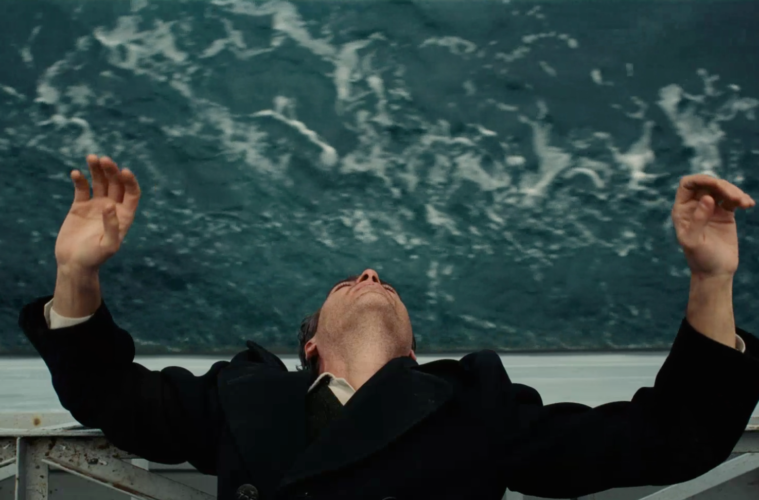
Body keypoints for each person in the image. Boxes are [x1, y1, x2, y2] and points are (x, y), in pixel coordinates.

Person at [18, 155, 759, 500]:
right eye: (351, 282)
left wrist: (710, 279)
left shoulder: (477, 406)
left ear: (412, 352)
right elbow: (107, 393)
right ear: (310, 345)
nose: (371, 274)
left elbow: (670, 440)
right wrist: (77, 271)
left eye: (384, 285)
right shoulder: (242, 398)